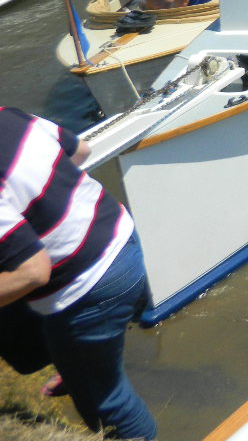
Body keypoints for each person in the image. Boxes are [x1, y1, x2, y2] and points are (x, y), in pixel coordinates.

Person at [0, 107, 157, 440]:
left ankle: (86, 372)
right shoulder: (8, 115)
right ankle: (77, 364)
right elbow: (80, 151)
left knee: (107, 405)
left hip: (87, 284)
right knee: (88, 366)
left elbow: (32, 272)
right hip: (119, 233)